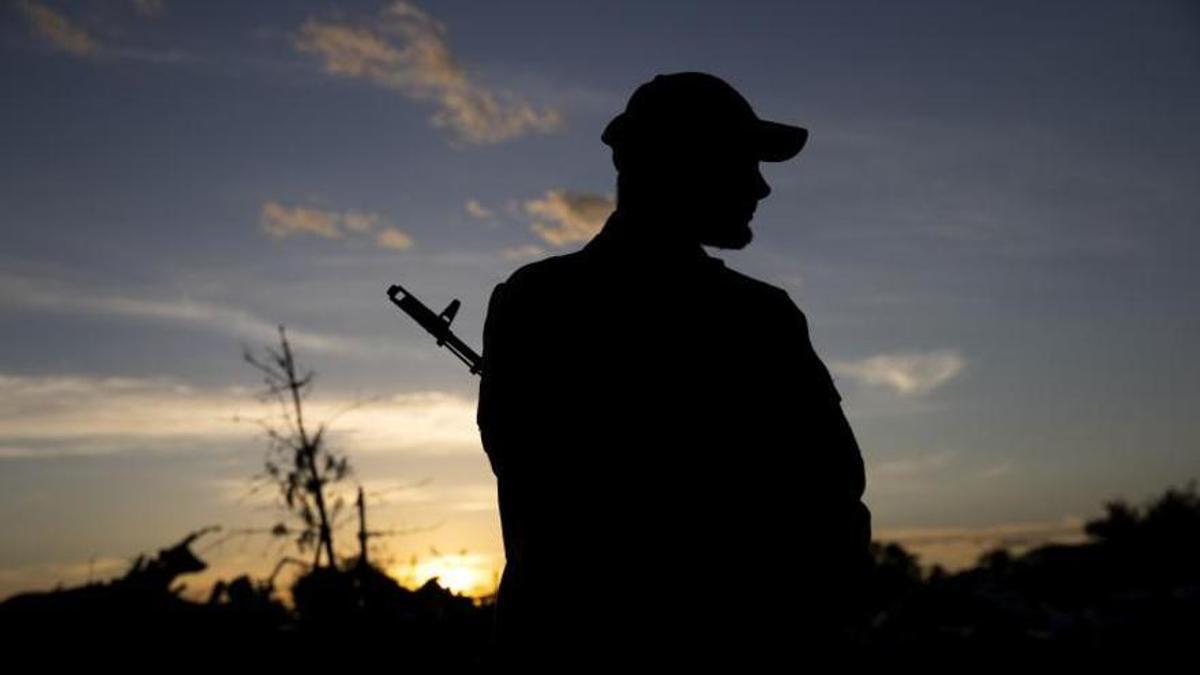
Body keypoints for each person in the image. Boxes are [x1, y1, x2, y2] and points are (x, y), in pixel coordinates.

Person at [476, 72, 872, 668]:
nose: (761, 187)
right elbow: (830, 505)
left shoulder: (534, 301)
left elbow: (833, 503)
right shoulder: (758, 318)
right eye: (743, 162)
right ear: (681, 164)